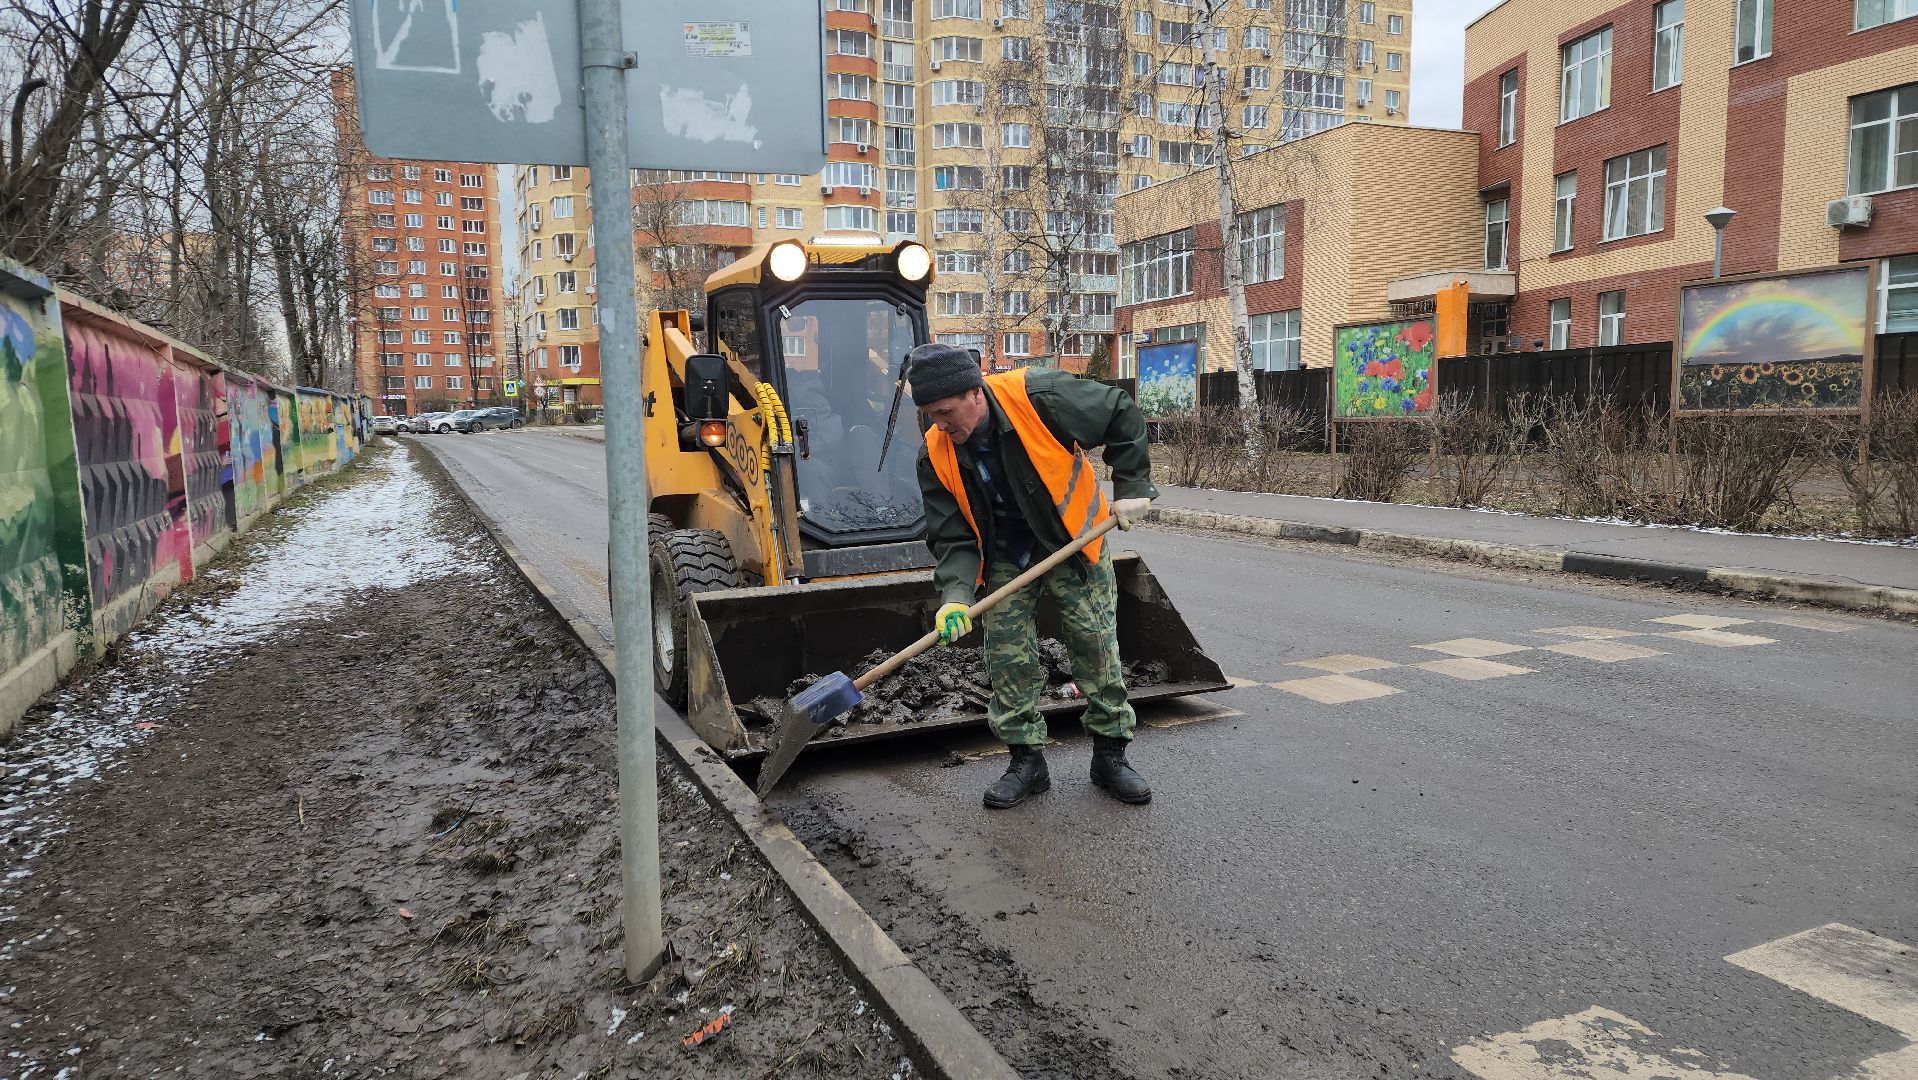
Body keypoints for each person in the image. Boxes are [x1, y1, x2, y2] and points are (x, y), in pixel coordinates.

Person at [909, 343, 1158, 809]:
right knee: (1005, 653)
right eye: (928, 415)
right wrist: (956, 596)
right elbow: (951, 536)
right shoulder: (934, 454)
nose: (939, 425)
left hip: (1071, 540)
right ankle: (1026, 760)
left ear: (975, 393)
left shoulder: (1039, 395)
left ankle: (1110, 755)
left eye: (944, 412)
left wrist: (1132, 486)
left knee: (1095, 642)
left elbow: (1120, 412)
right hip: (1006, 552)